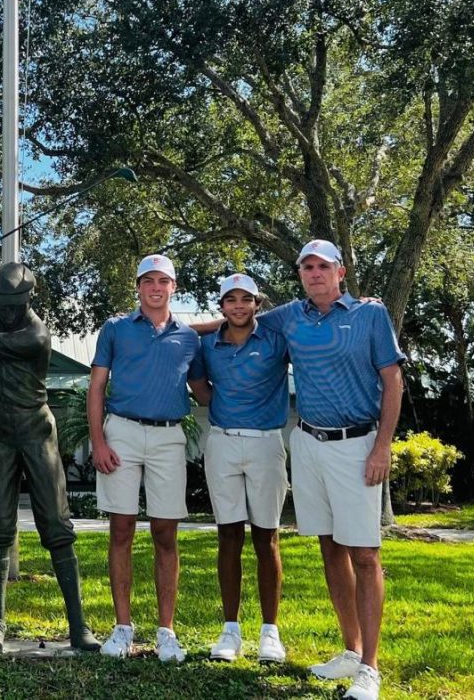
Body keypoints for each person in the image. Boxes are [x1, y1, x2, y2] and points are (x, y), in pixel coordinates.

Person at [246, 240, 403, 700]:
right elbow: (235, 320)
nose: (314, 273)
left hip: (358, 446)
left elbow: (392, 380)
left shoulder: (370, 315)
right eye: (306, 267)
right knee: (330, 547)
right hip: (308, 442)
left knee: (366, 554)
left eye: (322, 266)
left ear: (341, 272)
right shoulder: (291, 315)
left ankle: (370, 668)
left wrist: (382, 447)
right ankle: (351, 651)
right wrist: (170, 325)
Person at [0, 262, 100, 653]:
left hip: (37, 434)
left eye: (13, 304)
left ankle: (78, 625)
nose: (5, 312)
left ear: (27, 298)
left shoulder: (35, 335)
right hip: (0, 433)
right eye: (0, 304)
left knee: (56, 525)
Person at [87, 254, 202, 663]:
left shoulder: (189, 338)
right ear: (137, 286)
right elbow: (97, 387)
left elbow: (203, 389)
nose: (155, 287)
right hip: (122, 433)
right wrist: (98, 441)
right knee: (121, 530)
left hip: (169, 437)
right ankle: (122, 627)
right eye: (148, 280)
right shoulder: (116, 329)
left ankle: (166, 630)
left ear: (174, 287)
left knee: (165, 535)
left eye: (163, 281)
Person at [190, 273, 289, 664]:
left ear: (256, 304)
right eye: (230, 300)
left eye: (245, 299)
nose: (238, 306)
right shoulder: (207, 346)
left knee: (267, 538)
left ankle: (270, 633)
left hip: (266, 442)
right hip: (223, 441)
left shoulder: (276, 339)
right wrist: (224, 408)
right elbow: (199, 386)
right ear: (221, 307)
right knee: (228, 536)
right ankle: (230, 630)